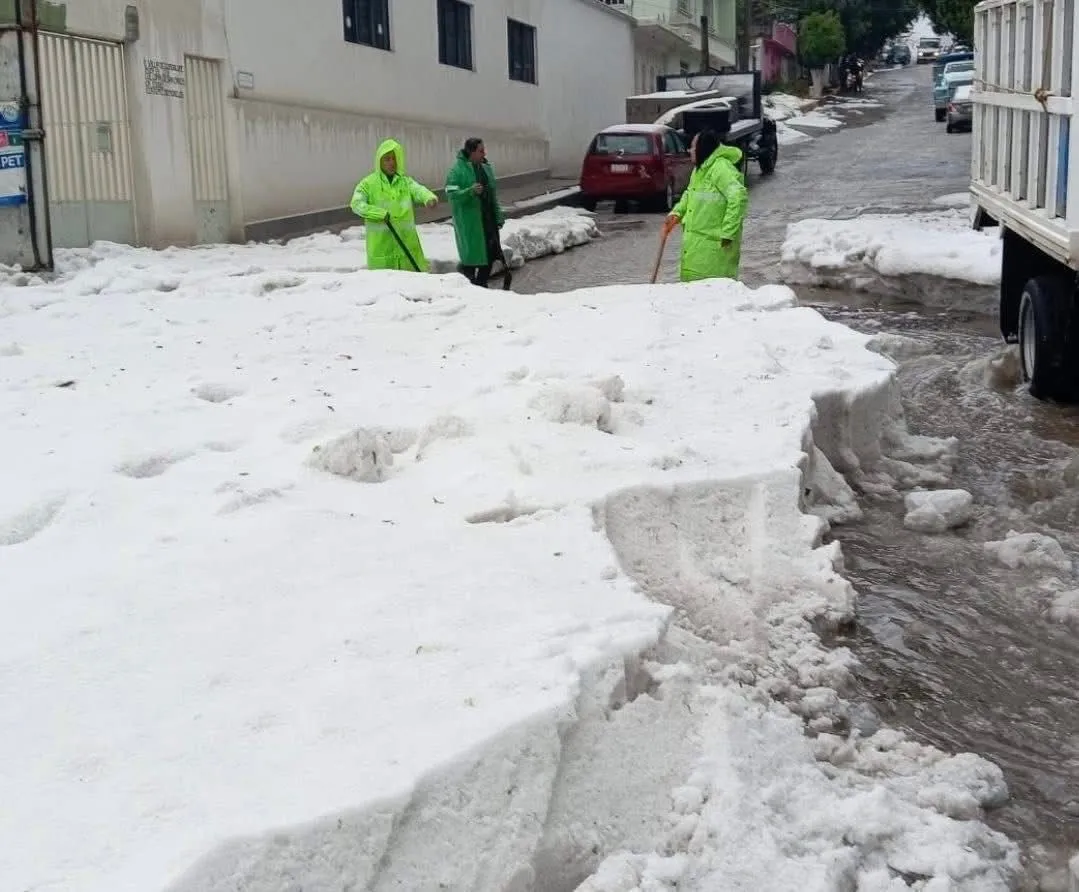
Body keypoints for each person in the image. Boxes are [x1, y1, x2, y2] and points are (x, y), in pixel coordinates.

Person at [663, 129, 748, 282]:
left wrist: (728, 232)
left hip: (714, 253)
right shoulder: (699, 171)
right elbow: (690, 194)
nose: (690, 150)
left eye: (693, 147)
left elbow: (738, 196)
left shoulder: (721, 169)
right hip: (697, 252)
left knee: (712, 298)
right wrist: (676, 213)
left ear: (703, 148)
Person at [350, 138, 438, 271]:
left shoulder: (405, 182)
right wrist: (378, 214)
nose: (392, 163)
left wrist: (429, 198)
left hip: (406, 248)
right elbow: (356, 203)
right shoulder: (368, 184)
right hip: (382, 251)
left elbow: (418, 189)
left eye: (394, 159)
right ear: (379, 161)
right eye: (387, 159)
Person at [445, 137, 505, 287]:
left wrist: (498, 215)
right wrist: (469, 191)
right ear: (471, 152)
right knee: (471, 258)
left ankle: (481, 283)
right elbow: (451, 194)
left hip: (488, 220)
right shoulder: (457, 170)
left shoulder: (486, 168)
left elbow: (492, 194)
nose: (484, 153)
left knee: (490, 254)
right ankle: (471, 286)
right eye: (480, 151)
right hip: (470, 223)